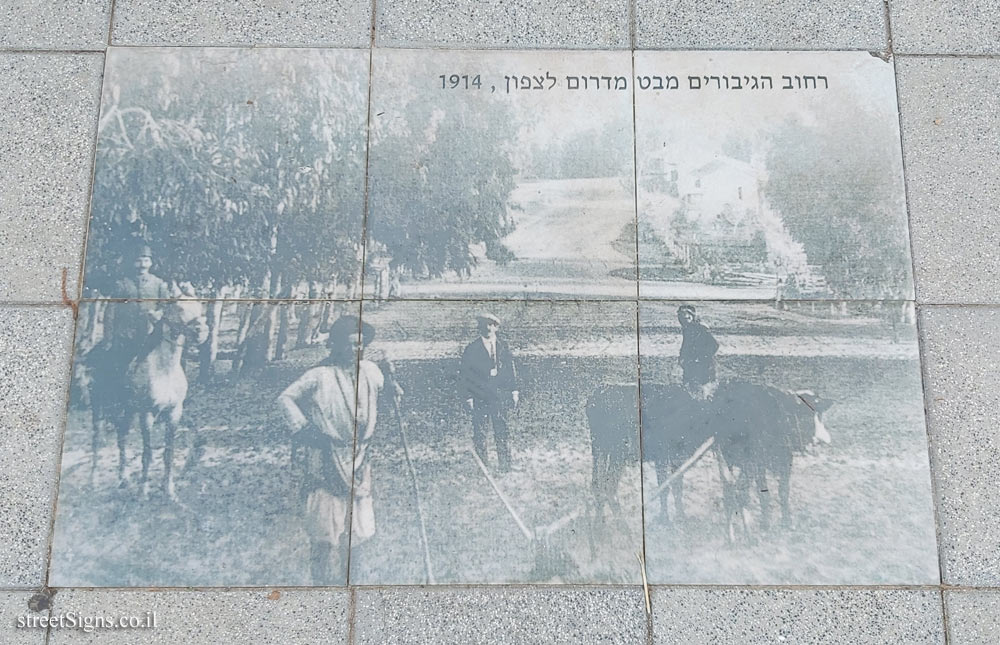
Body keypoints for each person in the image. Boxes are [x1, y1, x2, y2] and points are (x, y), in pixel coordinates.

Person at [278, 315, 397, 584]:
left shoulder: (369, 371)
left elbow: (384, 389)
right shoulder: (319, 376)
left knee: (358, 532)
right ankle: (319, 584)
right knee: (324, 532)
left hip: (359, 459)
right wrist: (305, 429)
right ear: (336, 345)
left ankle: (352, 583)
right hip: (327, 459)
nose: (357, 349)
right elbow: (284, 399)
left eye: (361, 344)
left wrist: (392, 384)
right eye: (351, 344)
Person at [460, 312, 519, 472]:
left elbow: (510, 370)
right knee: (480, 432)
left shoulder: (503, 346)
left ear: (496, 327)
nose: (487, 328)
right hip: (480, 396)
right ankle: (483, 467)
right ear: (479, 327)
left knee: (502, 430)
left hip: (499, 395)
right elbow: (465, 375)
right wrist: (468, 397)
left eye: (491, 324)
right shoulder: (472, 349)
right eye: (484, 324)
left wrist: (514, 390)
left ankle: (505, 466)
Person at [677, 305, 719, 399]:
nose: (683, 320)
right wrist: (682, 357)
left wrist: (702, 357)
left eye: (686, 317)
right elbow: (686, 345)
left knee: (703, 388)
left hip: (703, 364)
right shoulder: (687, 328)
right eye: (681, 318)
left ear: (692, 316)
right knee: (691, 388)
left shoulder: (700, 328)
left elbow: (714, 345)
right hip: (691, 363)